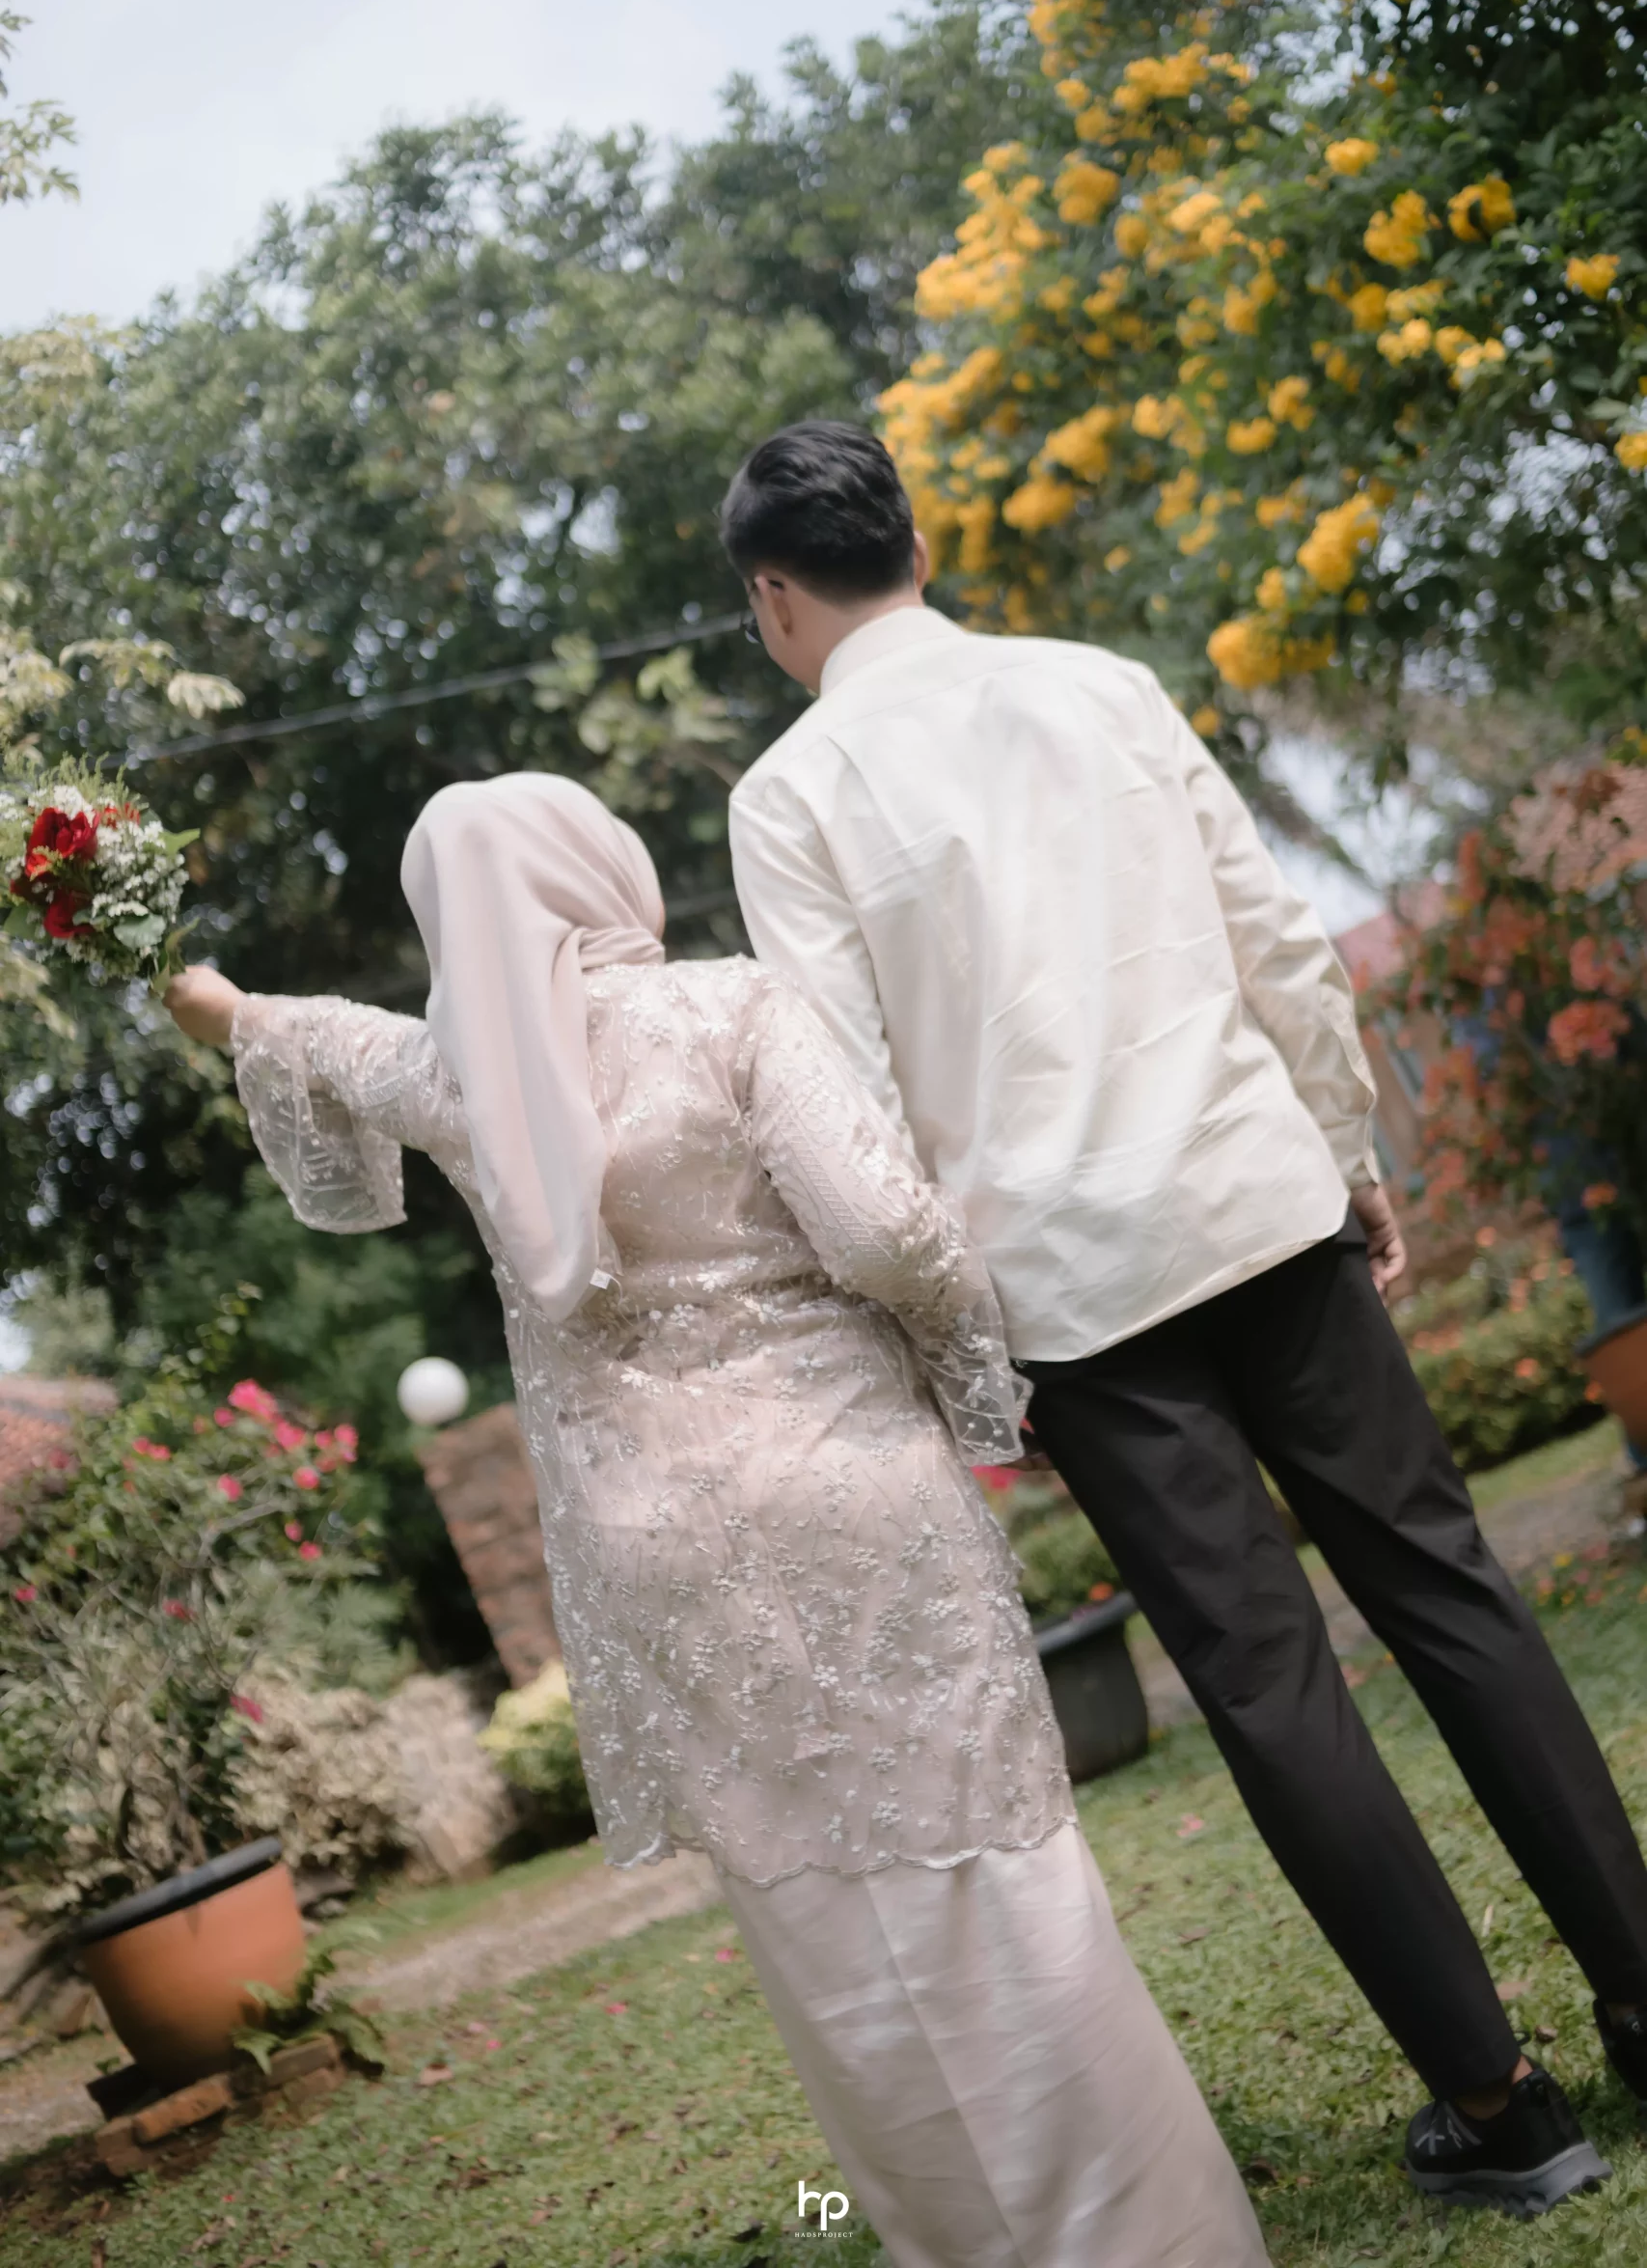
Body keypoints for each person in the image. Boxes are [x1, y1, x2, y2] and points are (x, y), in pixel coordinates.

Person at [724, 417, 1647, 2217]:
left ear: (773, 598)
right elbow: (1276, 940)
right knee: (1448, 1586)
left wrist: (954, 1347)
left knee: (1267, 1679)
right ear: (915, 543)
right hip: (1258, 1201)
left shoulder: (792, 797)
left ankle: (1501, 2107)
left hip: (1074, 1298)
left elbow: (844, 1114)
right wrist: (1344, 1150)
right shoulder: (1098, 684)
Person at [164, 773, 1265, 2268]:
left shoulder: (459, 1079)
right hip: (842, 1495)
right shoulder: (724, 1009)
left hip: (660, 1556)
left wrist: (147, 945)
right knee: (984, 1867)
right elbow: (884, 1233)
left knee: (821, 1924)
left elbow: (279, 1026)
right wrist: (975, 1370)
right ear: (597, 870)